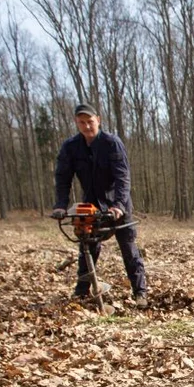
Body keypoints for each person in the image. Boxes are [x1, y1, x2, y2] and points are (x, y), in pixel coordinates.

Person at [52, 103, 148, 308]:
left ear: (98, 120)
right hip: (92, 204)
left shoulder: (111, 143)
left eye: (90, 122)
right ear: (76, 123)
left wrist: (119, 205)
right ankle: (82, 291)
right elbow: (63, 178)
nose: (87, 126)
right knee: (87, 247)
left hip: (117, 203)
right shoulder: (71, 147)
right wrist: (61, 205)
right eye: (82, 123)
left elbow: (123, 177)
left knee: (129, 248)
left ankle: (140, 293)